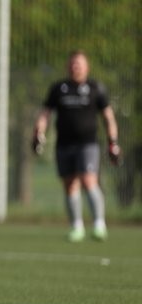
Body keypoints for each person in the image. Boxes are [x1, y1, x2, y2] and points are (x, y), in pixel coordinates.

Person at [33, 50, 121, 242]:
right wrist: (38, 133)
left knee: (89, 180)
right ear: (68, 66)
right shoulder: (59, 88)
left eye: (79, 64)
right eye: (73, 64)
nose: (76, 67)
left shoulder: (95, 88)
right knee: (69, 184)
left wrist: (113, 141)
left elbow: (108, 117)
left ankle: (99, 224)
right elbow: (45, 113)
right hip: (64, 144)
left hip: (87, 144)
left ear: (86, 67)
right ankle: (76, 226)